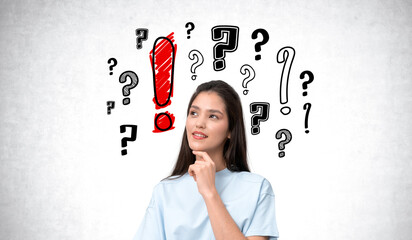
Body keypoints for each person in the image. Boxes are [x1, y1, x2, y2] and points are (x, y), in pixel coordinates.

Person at [133, 80, 279, 240]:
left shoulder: (257, 189)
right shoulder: (164, 191)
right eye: (194, 113)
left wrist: (210, 192)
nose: (199, 123)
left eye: (213, 116)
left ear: (231, 130)